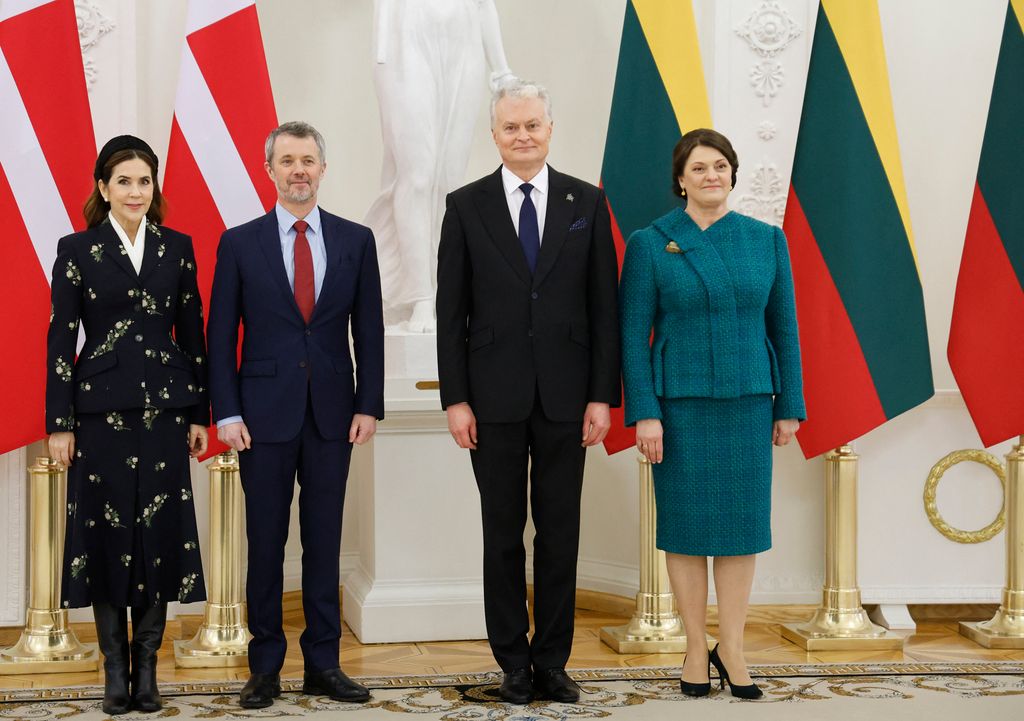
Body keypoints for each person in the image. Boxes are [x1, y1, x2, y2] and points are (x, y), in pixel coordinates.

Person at [436, 80, 620, 704]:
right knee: (502, 532)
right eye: (511, 127)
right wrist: (456, 399)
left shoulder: (587, 202)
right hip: (491, 401)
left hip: (571, 400)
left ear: (550, 128)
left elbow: (605, 309)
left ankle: (553, 661)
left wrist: (603, 396)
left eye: (533, 125)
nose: (522, 136)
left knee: (561, 532)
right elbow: (450, 312)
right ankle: (512, 661)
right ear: (494, 135)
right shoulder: (466, 205)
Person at [619, 128, 805, 700]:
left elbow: (785, 329)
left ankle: (735, 646)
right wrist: (645, 414)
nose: (711, 176)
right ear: (680, 179)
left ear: (733, 173)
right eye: (698, 168)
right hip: (680, 409)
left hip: (750, 403)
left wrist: (789, 406)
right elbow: (632, 336)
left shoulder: (766, 240)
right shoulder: (653, 243)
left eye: (720, 166)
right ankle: (696, 647)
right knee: (686, 530)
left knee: (740, 533)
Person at [207, 121, 384, 709]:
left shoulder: (356, 241)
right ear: (270, 171)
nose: (299, 170)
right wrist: (226, 412)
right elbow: (219, 336)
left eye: (308, 159)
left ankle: (324, 664)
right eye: (287, 161)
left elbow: (371, 332)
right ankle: (263, 668)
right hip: (260, 419)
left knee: (325, 542)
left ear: (323, 169)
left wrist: (369, 404)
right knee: (265, 543)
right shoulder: (239, 243)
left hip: (335, 416)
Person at [46, 135, 209, 715]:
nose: (135, 191)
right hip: (99, 416)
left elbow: (194, 335)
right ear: (103, 188)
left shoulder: (178, 248)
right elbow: (61, 339)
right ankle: (114, 666)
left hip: (166, 412)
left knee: (161, 538)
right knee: (107, 536)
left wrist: (199, 414)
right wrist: (59, 422)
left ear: (153, 187)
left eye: (144, 181)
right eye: (124, 181)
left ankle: (147, 670)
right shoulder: (77, 249)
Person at [367, 0, 513, 331]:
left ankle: (440, 292)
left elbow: (484, 5)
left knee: (449, 181)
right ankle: (418, 297)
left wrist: (501, 69)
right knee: (417, 175)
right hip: (405, 33)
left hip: (463, 36)